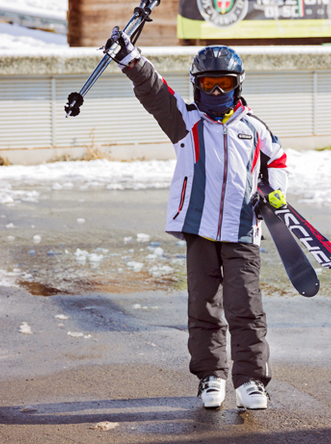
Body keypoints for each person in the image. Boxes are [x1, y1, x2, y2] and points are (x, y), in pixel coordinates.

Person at [105, 28, 288, 410]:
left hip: (242, 231)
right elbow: (155, 92)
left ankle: (252, 380)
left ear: (237, 86)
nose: (217, 92)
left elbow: (278, 160)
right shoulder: (185, 123)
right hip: (200, 230)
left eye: (224, 84)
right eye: (209, 84)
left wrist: (273, 191)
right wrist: (129, 59)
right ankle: (210, 376)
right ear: (197, 86)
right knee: (203, 306)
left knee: (245, 307)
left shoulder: (254, 129)